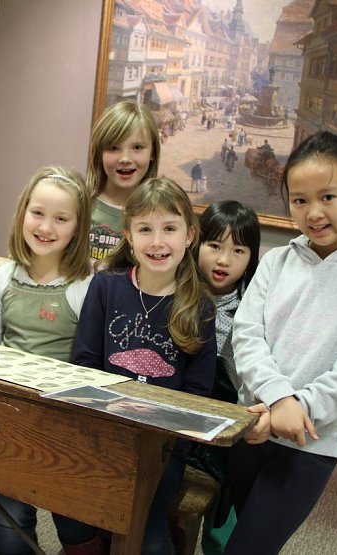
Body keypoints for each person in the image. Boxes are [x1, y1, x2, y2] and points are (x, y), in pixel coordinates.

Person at [224, 131, 337, 554]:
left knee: (247, 548)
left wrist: (295, 408)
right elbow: (246, 335)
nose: (314, 212)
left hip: (311, 442)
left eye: (328, 196)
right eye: (300, 199)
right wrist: (276, 400)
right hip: (252, 424)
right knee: (247, 530)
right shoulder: (277, 260)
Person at [54, 177, 218, 555]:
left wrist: (167, 446)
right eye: (145, 229)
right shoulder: (106, 288)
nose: (157, 242)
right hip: (103, 432)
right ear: (128, 235)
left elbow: (197, 396)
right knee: (70, 515)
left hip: (162, 449)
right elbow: (85, 364)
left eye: (170, 229)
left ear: (190, 236)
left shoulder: (199, 307)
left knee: (146, 532)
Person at [0, 166, 93, 555]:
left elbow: (89, 367)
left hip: (65, 421)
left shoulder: (85, 286)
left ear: (77, 227)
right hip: (10, 418)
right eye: (38, 213)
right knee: (9, 533)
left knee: (78, 528)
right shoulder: (2, 279)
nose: (46, 226)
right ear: (23, 212)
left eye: (61, 218)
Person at [186, 201, 261, 555]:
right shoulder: (177, 294)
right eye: (214, 246)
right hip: (179, 415)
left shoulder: (253, 310)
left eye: (238, 250)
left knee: (221, 529)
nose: (223, 260)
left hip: (225, 429)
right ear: (196, 242)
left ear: (251, 257)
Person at [86, 100, 160, 263]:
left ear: (153, 152)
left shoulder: (160, 215)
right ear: (99, 153)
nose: (125, 159)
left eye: (138, 147)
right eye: (113, 148)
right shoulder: (80, 206)